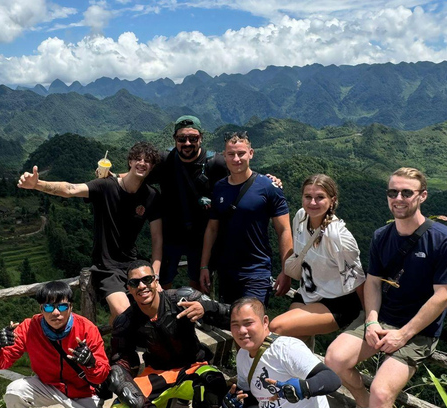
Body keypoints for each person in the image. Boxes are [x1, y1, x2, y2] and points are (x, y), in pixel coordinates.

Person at [315, 168, 447, 408]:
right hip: (381, 320)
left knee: (383, 391)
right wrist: (370, 321)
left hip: (418, 331)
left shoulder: (445, 241)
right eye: (393, 192)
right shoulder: (383, 235)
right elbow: (373, 282)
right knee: (334, 360)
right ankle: (361, 404)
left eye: (406, 193)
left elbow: (442, 296)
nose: (398, 199)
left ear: (422, 195)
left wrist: (404, 334)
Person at [18, 142, 162, 318]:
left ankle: (122, 344)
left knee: (154, 312)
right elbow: (70, 189)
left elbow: (157, 240)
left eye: (147, 160)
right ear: (130, 162)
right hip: (107, 267)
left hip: (133, 265)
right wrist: (37, 184)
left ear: (152, 166)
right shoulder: (105, 186)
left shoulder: (152, 196)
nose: (142, 163)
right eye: (138, 159)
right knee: (126, 314)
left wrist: (155, 276)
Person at [104, 260, 230, 408]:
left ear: (156, 281)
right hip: (157, 373)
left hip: (192, 367)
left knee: (215, 385)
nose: (142, 286)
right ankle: (162, 406)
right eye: (135, 283)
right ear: (128, 288)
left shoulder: (182, 298)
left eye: (147, 279)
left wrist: (207, 308)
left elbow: (232, 316)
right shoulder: (125, 322)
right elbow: (120, 368)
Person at [199, 131, 292, 304]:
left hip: (256, 271)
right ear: (224, 156)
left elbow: (284, 230)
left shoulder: (269, 187)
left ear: (251, 153)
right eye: (231, 154)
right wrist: (204, 266)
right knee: (232, 323)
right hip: (226, 270)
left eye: (241, 153)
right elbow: (212, 229)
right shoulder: (219, 187)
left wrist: (287, 270)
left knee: (252, 322)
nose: (236, 159)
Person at [269, 174, 365, 343]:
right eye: (308, 197)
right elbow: (297, 252)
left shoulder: (338, 237)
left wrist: (369, 319)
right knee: (295, 340)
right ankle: (305, 370)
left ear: (332, 200)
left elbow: (359, 280)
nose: (312, 203)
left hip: (337, 302)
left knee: (277, 326)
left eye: (320, 197)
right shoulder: (301, 217)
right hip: (307, 293)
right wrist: (286, 273)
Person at [148, 115, 228, 290]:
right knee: (161, 285)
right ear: (174, 139)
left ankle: (194, 316)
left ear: (201, 138)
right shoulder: (165, 161)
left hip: (202, 238)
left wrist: (270, 180)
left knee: (199, 286)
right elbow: (137, 177)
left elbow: (242, 177)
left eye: (193, 138)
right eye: (181, 139)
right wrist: (113, 178)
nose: (187, 143)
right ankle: (165, 316)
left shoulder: (216, 163)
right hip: (169, 235)